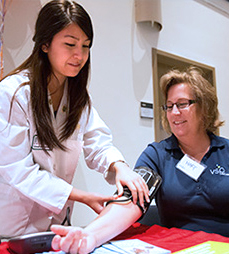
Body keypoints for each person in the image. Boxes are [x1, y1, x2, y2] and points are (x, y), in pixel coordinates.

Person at [0, 0, 149, 238]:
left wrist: (119, 167)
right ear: (45, 44)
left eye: (86, 46)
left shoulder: (78, 98)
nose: (79, 55)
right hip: (11, 227)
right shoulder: (13, 93)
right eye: (70, 44)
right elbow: (17, 170)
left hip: (55, 228)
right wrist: (81, 196)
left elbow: (97, 143)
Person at [135, 67, 229, 239]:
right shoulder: (156, 155)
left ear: (204, 107)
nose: (174, 112)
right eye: (169, 106)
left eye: (182, 104)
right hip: (180, 249)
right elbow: (128, 202)